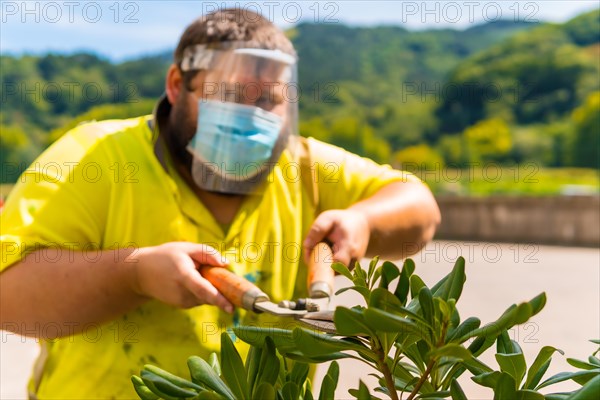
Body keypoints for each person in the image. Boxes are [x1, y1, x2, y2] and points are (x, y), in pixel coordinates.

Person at [0, 8, 441, 399]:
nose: (252, 115)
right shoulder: (95, 156)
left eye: (269, 100)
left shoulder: (303, 165)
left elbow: (419, 208)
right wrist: (133, 273)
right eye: (229, 95)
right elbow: (8, 296)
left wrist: (362, 220)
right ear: (177, 84)